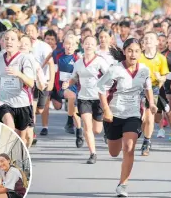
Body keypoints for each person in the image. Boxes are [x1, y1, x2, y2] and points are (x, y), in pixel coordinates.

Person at [97, 38, 157, 197]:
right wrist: (106, 110)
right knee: (114, 153)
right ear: (124, 52)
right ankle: (108, 135)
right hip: (114, 115)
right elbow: (101, 89)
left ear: (141, 52)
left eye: (137, 51)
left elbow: (147, 88)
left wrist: (151, 104)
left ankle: (123, 185)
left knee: (129, 148)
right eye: (130, 50)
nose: (133, 54)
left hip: (133, 114)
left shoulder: (144, 70)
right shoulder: (115, 69)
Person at [63, 36, 110, 164]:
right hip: (83, 98)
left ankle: (102, 128)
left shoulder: (100, 61)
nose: (89, 46)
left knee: (97, 130)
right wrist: (68, 83)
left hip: (98, 98)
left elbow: (110, 76)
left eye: (91, 44)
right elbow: (74, 78)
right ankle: (92, 154)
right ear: (82, 45)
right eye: (86, 43)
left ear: (95, 47)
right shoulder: (78, 63)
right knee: (87, 126)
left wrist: (105, 88)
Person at [0, 29, 35, 144]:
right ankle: (5, 155)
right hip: (4, 100)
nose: (9, 41)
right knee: (9, 127)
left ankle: (20, 155)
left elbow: (31, 83)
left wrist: (19, 74)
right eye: (6, 39)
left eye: (12, 39)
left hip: (22, 102)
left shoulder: (24, 59)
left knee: (23, 137)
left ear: (18, 43)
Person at [138, 32, 169, 156]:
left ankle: (146, 142)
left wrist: (160, 78)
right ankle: (143, 133)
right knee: (142, 118)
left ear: (157, 42)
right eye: (146, 39)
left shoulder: (161, 58)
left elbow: (164, 76)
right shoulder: (139, 56)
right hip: (139, 89)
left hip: (154, 89)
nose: (148, 40)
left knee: (150, 118)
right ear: (143, 43)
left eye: (151, 38)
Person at [51, 34, 84, 147]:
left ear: (76, 46)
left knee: (75, 111)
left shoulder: (78, 59)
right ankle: (69, 122)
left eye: (72, 44)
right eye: (67, 43)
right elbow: (50, 62)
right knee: (65, 102)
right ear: (63, 44)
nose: (69, 46)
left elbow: (81, 75)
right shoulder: (58, 55)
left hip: (73, 88)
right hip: (60, 87)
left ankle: (79, 132)